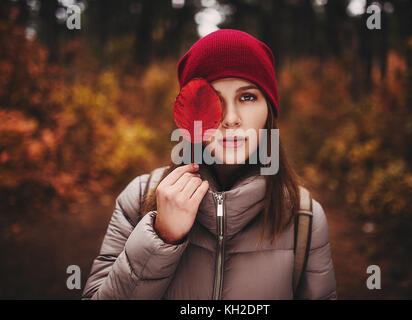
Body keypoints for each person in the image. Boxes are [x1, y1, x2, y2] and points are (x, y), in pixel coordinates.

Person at [82, 29, 337, 300]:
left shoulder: (304, 218)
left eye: (247, 96)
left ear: (269, 111)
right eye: (212, 98)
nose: (230, 119)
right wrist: (161, 238)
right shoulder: (141, 197)